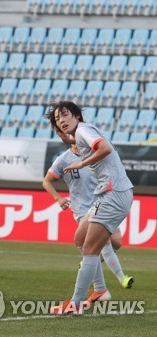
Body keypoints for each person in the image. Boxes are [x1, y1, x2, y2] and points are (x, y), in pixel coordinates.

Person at [46, 101, 133, 315]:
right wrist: (68, 139)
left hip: (114, 193)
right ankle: (100, 289)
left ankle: (76, 304)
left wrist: (80, 164)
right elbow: (85, 143)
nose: (61, 121)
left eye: (64, 115)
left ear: (76, 115)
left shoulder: (84, 129)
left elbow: (105, 148)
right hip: (107, 194)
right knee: (80, 238)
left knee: (90, 250)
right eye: (57, 120)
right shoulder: (82, 133)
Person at [43, 139, 133, 290]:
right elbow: (46, 181)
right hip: (82, 208)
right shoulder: (63, 159)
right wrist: (58, 198)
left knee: (116, 241)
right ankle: (121, 278)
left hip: (103, 202)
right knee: (105, 243)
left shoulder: (94, 155)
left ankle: (88, 262)